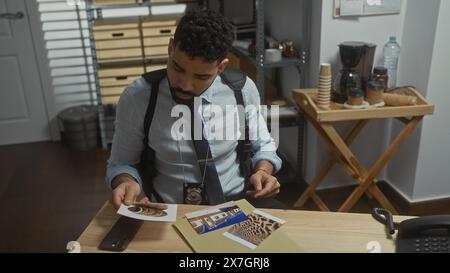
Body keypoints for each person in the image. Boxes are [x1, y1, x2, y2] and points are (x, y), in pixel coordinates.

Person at [106, 10, 284, 209]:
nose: (186, 85)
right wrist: (126, 182)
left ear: (221, 67)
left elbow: (264, 145)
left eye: (201, 77)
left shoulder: (242, 90)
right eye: (178, 69)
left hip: (237, 205)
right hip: (169, 211)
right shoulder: (138, 98)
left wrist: (264, 171)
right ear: (170, 47)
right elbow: (121, 162)